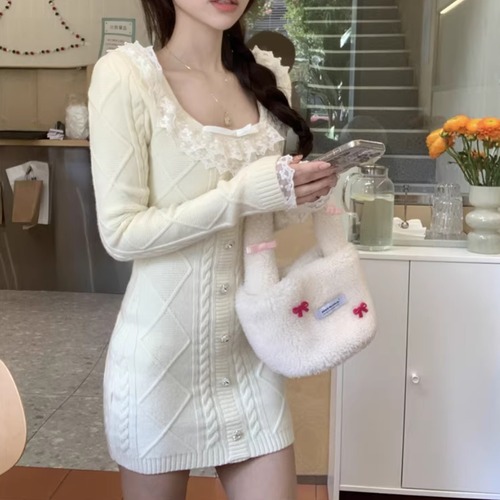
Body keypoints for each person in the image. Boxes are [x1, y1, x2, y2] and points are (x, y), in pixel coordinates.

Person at [88, 0, 338, 497]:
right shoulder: (127, 77)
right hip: (159, 368)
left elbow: (254, 222)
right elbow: (120, 232)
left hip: (250, 356)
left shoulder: (266, 77)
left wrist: (300, 194)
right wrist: (244, 193)